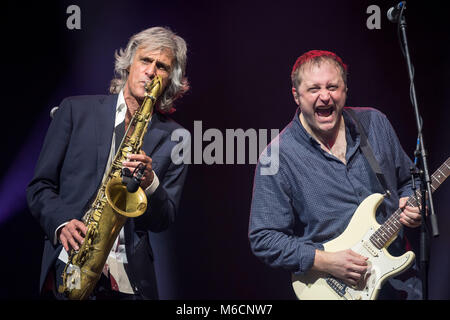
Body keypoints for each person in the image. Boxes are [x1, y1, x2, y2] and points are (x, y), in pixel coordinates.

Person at [27, 26, 189, 300]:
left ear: (170, 79)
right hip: (72, 263)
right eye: (145, 60)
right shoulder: (75, 111)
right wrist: (62, 223)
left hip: (129, 281)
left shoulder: (177, 137)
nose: (151, 71)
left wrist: (150, 184)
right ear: (129, 64)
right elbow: (39, 187)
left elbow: (164, 218)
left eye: (161, 66)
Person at [248, 50, 423, 299]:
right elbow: (264, 238)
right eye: (314, 89)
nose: (325, 96)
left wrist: (414, 202)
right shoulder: (277, 157)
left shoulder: (375, 124)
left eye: (333, 87)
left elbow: (409, 182)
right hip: (337, 288)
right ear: (296, 96)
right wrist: (325, 261)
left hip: (402, 281)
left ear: (345, 90)